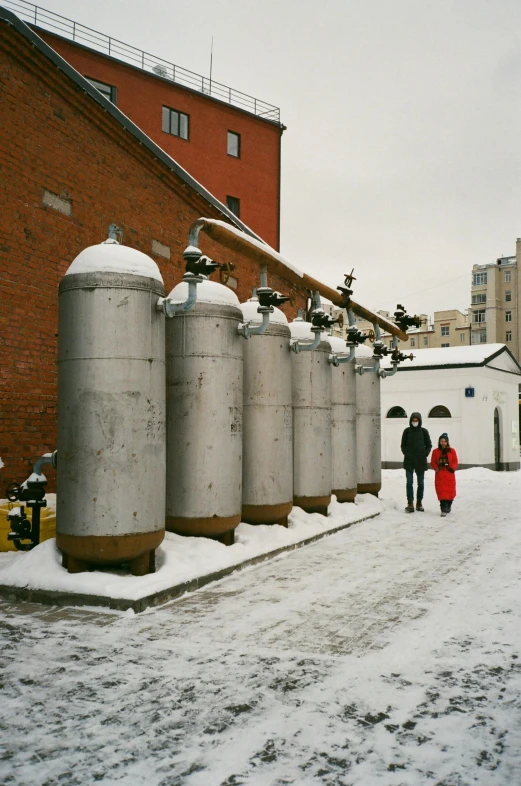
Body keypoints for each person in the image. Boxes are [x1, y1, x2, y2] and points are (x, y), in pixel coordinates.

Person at [401, 411, 432, 513]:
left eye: (416, 420)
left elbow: (429, 445)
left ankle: (419, 502)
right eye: (413, 420)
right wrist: (406, 453)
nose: (415, 422)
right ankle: (410, 503)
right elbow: (403, 445)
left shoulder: (424, 432)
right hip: (409, 461)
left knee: (421, 483)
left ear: (419, 421)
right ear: (411, 421)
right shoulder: (407, 431)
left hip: (420, 461)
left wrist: (425, 454)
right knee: (409, 482)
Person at [431, 433, 458, 516]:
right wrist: (437, 468)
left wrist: (452, 468)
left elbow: (455, 461)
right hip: (440, 474)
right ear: (439, 442)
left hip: (449, 473)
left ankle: (448, 505)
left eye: (445, 441)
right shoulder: (435, 451)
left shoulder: (452, 451)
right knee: (441, 492)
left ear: (447, 442)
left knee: (450, 492)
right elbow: (433, 462)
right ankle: (443, 508)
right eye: (441, 441)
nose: (443, 443)